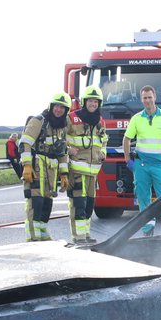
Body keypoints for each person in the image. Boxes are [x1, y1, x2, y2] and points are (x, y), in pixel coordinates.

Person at [122, 84, 161, 234]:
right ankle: (147, 229)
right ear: (141, 100)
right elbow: (127, 139)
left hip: (160, 164)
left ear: (155, 97)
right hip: (141, 164)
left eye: (150, 97)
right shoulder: (136, 119)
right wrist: (128, 160)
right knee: (142, 196)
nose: (148, 100)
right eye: (144, 98)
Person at [17, 92, 71, 241]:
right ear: (51, 106)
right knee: (36, 202)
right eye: (57, 106)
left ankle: (43, 235)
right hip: (36, 167)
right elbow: (25, 143)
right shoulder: (38, 121)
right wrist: (27, 166)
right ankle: (33, 238)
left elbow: (62, 152)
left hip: (51, 170)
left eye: (63, 108)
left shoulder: (60, 128)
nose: (59, 110)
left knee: (47, 203)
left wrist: (64, 173)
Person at [67, 86, 106, 246]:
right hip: (77, 169)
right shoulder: (72, 118)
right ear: (84, 102)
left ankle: (86, 233)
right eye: (90, 101)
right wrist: (67, 149)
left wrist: (103, 151)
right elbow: (59, 136)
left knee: (89, 204)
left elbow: (103, 140)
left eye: (95, 101)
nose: (93, 104)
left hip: (93, 170)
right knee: (79, 203)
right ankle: (78, 236)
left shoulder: (100, 121)